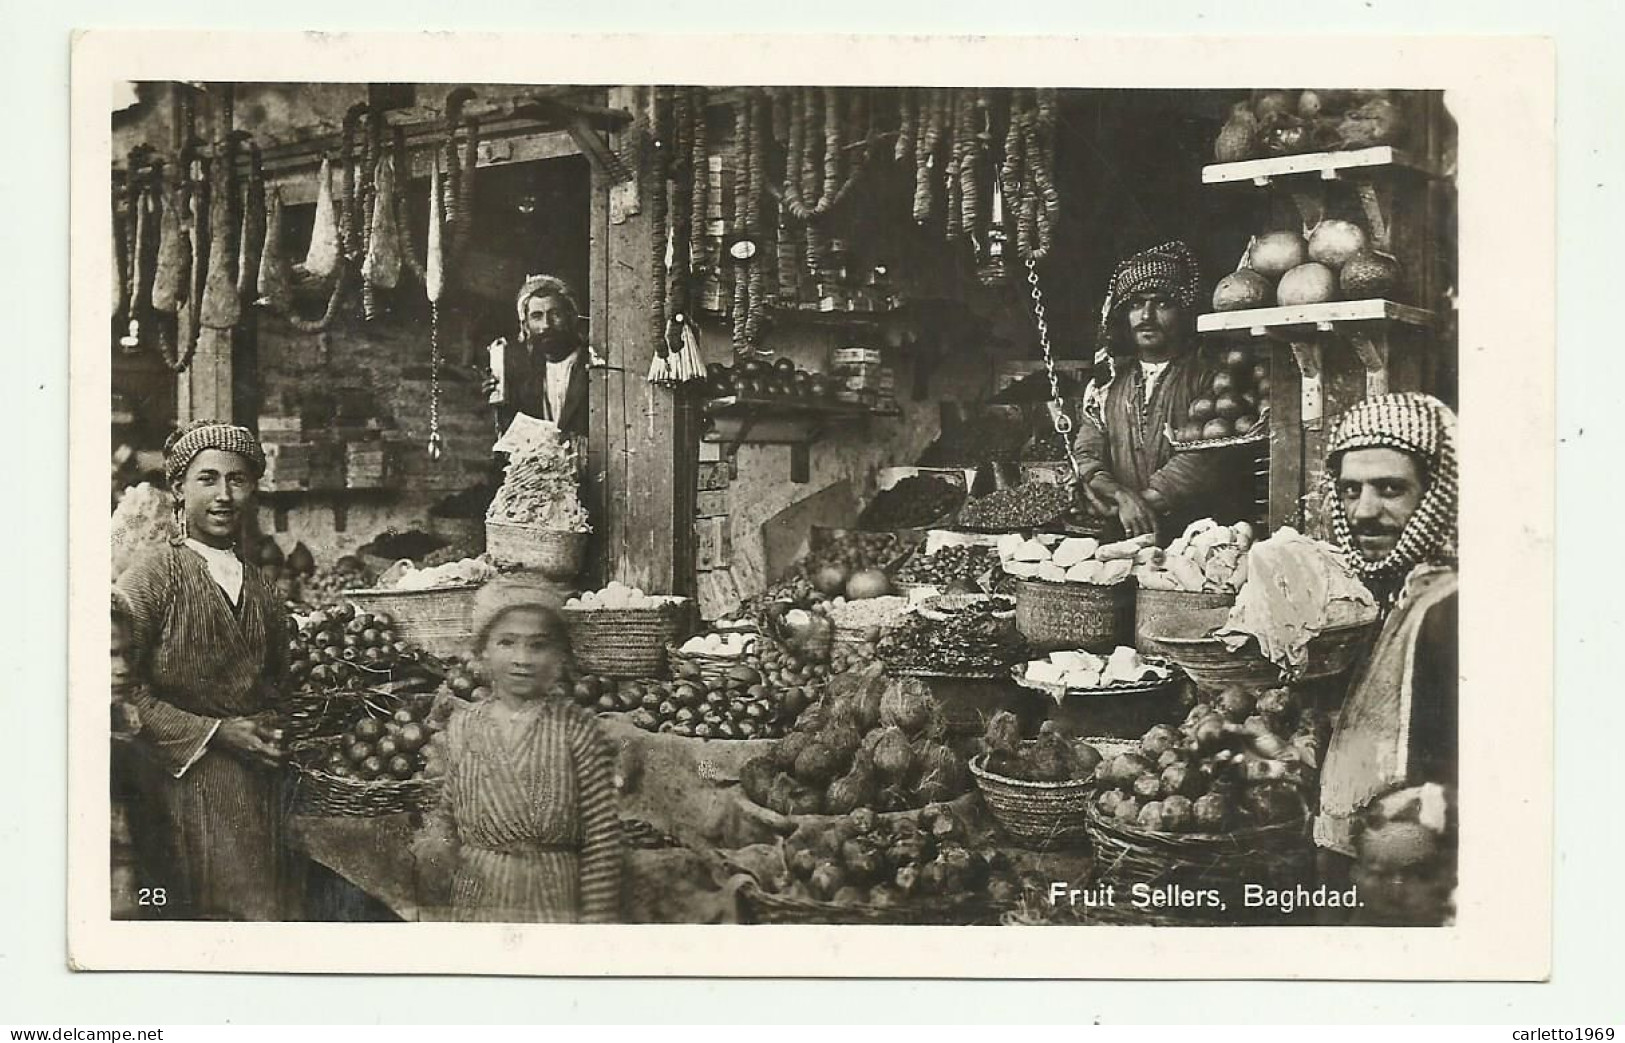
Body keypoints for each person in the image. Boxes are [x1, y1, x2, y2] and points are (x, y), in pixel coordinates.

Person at [114, 420, 302, 920]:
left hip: (257, 786)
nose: (225, 495)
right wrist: (217, 733)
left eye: (238, 480)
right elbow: (119, 687)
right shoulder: (155, 574)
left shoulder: (262, 588)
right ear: (178, 488)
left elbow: (277, 683)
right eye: (208, 479)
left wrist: (270, 728)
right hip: (179, 783)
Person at [1313, 392, 1459, 924]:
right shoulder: (1409, 591)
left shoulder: (1450, 607)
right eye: (1350, 491)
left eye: (1391, 489)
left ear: (1438, 494)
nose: (1364, 512)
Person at [412, 579, 622, 923]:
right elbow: (448, 815)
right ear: (482, 652)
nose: (522, 659)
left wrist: (594, 930)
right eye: (506, 643)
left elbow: (601, 840)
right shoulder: (464, 726)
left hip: (553, 900)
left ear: (559, 656)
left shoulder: (577, 729)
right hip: (478, 897)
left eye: (538, 645)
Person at [1071, 241, 1249, 543]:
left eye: (1162, 303)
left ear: (1184, 311)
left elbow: (1206, 458)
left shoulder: (1211, 375)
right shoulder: (1107, 383)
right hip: (1125, 540)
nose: (1146, 316)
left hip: (1202, 542)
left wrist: (1134, 504)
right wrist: (1118, 496)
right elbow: (1087, 451)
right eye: (1136, 304)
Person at [481, 274, 591, 441]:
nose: (546, 325)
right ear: (525, 325)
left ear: (572, 317)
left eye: (555, 314)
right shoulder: (526, 375)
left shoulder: (592, 366)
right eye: (537, 316)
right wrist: (501, 404)